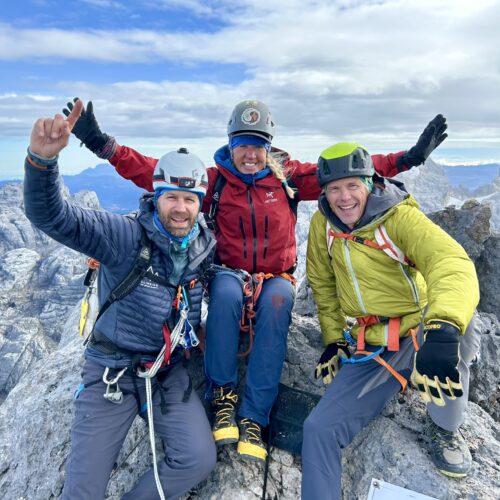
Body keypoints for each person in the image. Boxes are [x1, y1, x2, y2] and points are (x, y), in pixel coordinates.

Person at [62, 97, 448, 463]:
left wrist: (407, 159)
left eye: (258, 145)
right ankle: (223, 397)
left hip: (277, 276)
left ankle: (254, 416)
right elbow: (152, 172)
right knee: (226, 296)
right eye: (243, 144)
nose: (250, 153)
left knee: (278, 305)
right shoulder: (215, 180)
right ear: (231, 144)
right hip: (227, 272)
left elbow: (348, 172)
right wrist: (102, 144)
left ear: (269, 147)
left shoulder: (288, 178)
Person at [23, 100, 217, 500]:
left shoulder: (204, 248)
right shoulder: (124, 236)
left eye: (190, 199)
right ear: (156, 196)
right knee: (84, 491)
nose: (180, 208)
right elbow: (52, 217)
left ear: (200, 203)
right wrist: (42, 162)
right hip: (113, 370)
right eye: (171, 197)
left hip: (167, 373)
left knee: (197, 459)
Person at [303, 142, 480, 499]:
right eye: (334, 189)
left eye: (352, 185)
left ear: (370, 183)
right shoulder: (323, 224)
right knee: (319, 429)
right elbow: (322, 283)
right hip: (375, 344)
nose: (344, 197)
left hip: (419, 331)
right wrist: (334, 339)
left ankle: (444, 427)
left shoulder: (398, 217)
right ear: (323, 192)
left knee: (460, 325)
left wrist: (442, 330)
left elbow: (449, 263)